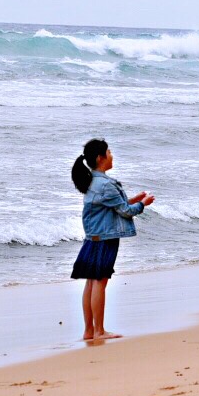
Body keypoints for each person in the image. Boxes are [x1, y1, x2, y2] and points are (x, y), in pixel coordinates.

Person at [69, 137, 153, 342]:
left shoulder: (92, 181)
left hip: (93, 238)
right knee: (100, 283)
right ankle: (99, 331)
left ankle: (89, 331)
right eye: (109, 152)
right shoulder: (106, 184)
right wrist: (143, 204)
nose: (112, 155)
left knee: (91, 283)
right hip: (104, 239)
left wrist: (134, 199)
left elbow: (112, 205)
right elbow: (125, 211)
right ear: (100, 158)